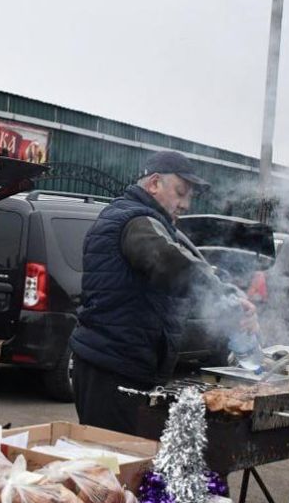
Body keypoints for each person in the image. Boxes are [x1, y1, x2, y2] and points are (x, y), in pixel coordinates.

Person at [70, 150, 257, 436]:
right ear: (154, 183)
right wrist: (224, 296)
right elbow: (172, 264)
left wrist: (230, 295)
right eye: (181, 192)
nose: (185, 204)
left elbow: (193, 263)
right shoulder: (135, 221)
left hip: (124, 365)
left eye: (190, 196)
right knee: (115, 457)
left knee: (123, 458)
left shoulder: (152, 221)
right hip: (112, 368)